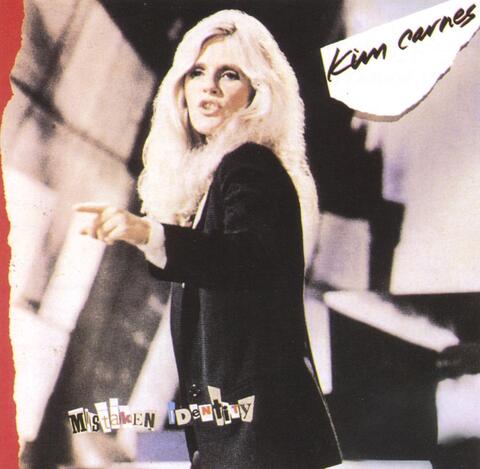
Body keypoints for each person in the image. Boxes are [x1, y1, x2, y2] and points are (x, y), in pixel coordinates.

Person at [75, 10, 342, 469]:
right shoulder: (217, 177)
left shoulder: (249, 164)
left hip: (262, 439)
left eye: (229, 74)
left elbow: (245, 259)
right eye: (197, 72)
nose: (209, 87)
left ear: (256, 93)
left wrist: (146, 231)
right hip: (242, 437)